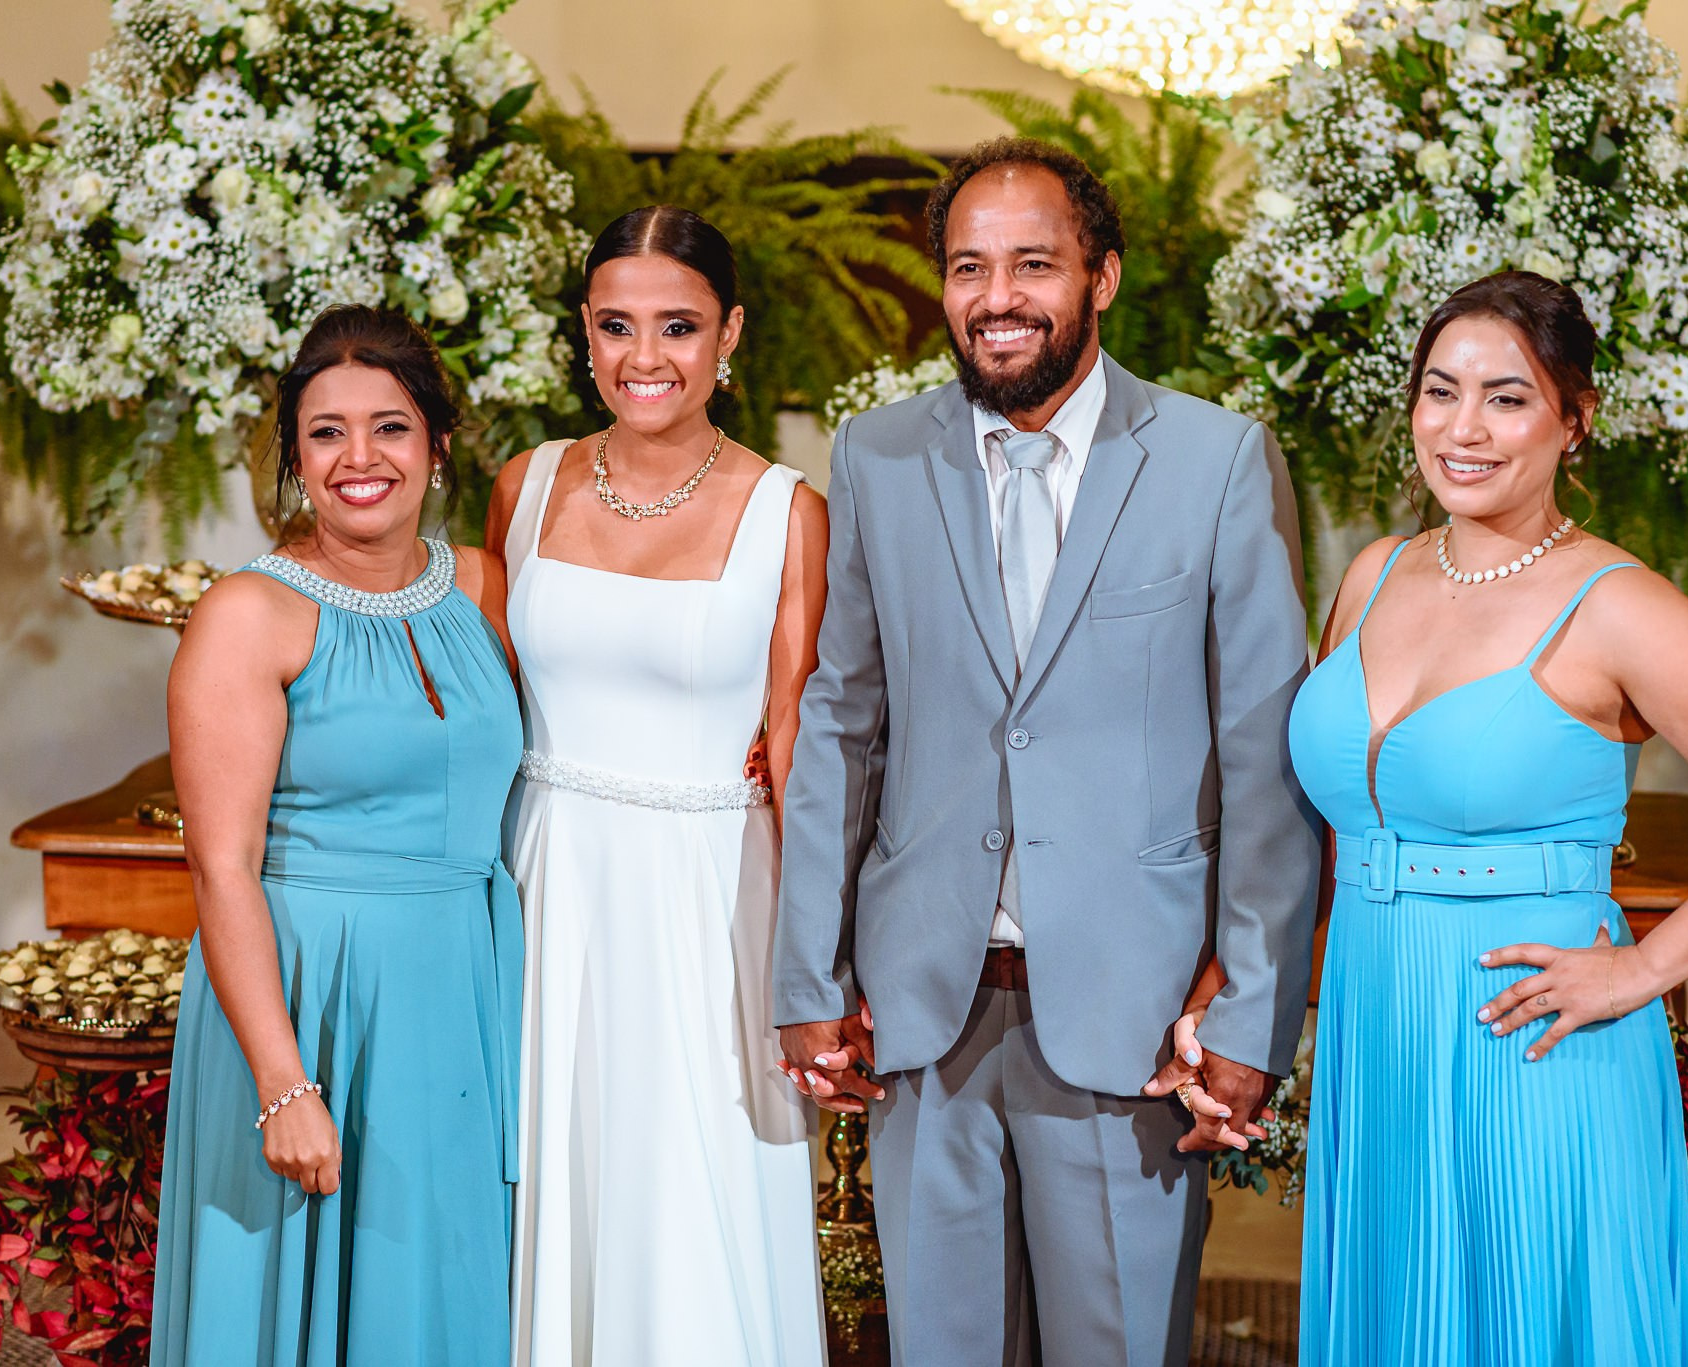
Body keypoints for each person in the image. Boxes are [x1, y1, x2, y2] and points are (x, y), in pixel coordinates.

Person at [771, 137, 1322, 1367]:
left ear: (1100, 277)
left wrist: (1250, 1007)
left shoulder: (1214, 460)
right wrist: (807, 976)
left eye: (1032, 262)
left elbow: (1262, 755)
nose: (996, 296)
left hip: (1135, 1017)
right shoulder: (876, 456)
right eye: (968, 266)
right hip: (923, 1008)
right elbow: (842, 722)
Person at [1284, 270, 1688, 1365]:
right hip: (1377, 1020)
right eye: (1440, 390)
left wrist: (1642, 968)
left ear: (1574, 419)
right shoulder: (1373, 575)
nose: (1462, 427)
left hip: (1532, 1035)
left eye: (1505, 398)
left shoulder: (1617, 605)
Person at [489, 205, 829, 1367]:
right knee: (552, 1183)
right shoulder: (523, 485)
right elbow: (486, 708)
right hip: (546, 891)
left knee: (694, 1206)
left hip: (706, 904)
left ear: (728, 334)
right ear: (582, 332)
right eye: (616, 325)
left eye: (677, 326)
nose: (645, 356)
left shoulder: (789, 513)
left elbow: (796, 747)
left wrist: (814, 970)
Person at [151, 305, 523, 1365]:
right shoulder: (247, 614)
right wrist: (284, 1083)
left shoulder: (484, 585)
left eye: (389, 426)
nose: (360, 457)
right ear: (294, 458)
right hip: (309, 996)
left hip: (463, 990)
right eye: (326, 433)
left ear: (437, 444)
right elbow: (221, 866)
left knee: (441, 1285)